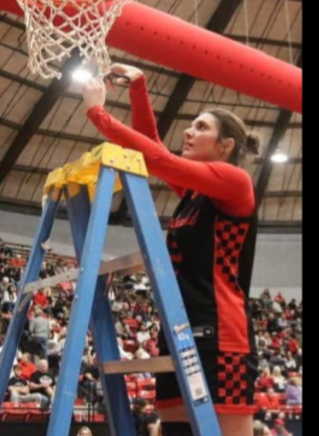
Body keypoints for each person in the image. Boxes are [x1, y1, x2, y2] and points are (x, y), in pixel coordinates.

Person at [84, 63, 261, 436]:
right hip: (179, 327)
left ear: (225, 146)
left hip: (220, 334)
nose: (189, 130)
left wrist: (98, 113)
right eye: (191, 124)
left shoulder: (235, 181)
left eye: (201, 127)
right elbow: (157, 152)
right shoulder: (196, 194)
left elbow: (159, 159)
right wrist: (138, 88)